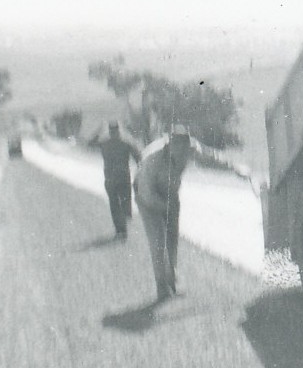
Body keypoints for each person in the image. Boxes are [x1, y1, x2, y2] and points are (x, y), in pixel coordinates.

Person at [134, 124, 251, 303]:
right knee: (158, 241)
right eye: (177, 146)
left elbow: (210, 159)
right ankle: (162, 288)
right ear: (169, 144)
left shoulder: (190, 148)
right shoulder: (153, 157)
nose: (182, 151)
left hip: (170, 195)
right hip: (148, 199)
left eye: (184, 145)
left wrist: (235, 169)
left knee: (172, 240)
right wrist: (161, 206)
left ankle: (171, 281)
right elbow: (144, 191)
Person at [88, 120, 142, 239]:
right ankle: (123, 228)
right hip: (123, 178)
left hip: (110, 179)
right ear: (118, 130)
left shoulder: (104, 143)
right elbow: (138, 157)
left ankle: (120, 231)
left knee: (114, 205)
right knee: (124, 203)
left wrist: (98, 131)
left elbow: (89, 144)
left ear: (110, 131)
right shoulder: (125, 143)